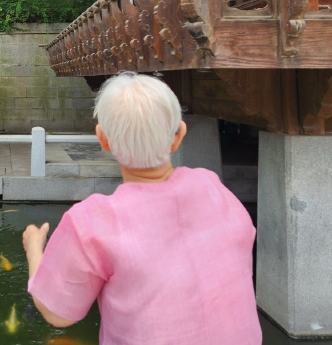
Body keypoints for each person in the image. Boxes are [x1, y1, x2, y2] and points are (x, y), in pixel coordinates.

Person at [22, 72, 261, 345]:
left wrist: (34, 248)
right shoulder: (213, 187)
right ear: (179, 134)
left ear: (103, 139)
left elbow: (56, 313)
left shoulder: (92, 222)